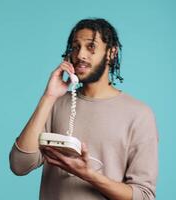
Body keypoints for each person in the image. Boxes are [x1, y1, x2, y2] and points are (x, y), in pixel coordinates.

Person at [9, 18, 158, 200]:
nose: (81, 55)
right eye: (76, 47)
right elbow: (19, 165)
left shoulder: (139, 114)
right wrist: (48, 97)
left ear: (111, 53)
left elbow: (143, 196)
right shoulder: (56, 103)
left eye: (91, 47)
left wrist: (89, 175)